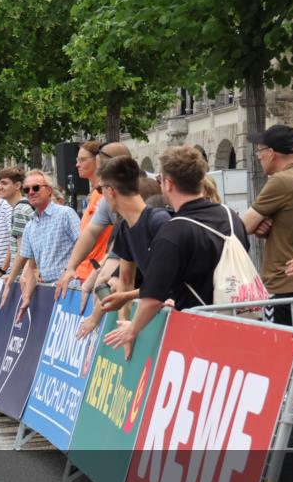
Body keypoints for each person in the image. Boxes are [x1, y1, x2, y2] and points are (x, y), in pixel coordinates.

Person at [105, 145, 250, 358]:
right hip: (242, 324)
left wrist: (131, 329)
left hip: (199, 334)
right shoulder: (230, 215)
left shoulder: (173, 231)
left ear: (167, 184)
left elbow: (154, 297)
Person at [78, 156, 173, 335]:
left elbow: (164, 284)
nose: (100, 195)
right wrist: (124, 325)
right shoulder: (124, 227)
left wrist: (130, 327)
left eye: (100, 189)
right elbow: (126, 282)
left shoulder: (159, 221)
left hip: (180, 315)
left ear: (110, 191)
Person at [241, 124, 293, 328]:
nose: (258, 157)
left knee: (283, 356)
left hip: (284, 287)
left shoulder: (281, 181)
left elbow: (244, 225)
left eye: (260, 151)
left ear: (271, 154)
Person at [3, 172, 80, 319]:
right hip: (46, 292)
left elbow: (82, 244)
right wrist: (26, 298)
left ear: (49, 190)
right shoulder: (30, 226)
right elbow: (31, 267)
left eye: (36, 188)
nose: (31, 192)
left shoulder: (65, 213)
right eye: (27, 190)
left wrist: (68, 271)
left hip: (70, 289)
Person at [53, 141, 126, 297]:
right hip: (91, 274)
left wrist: (98, 277)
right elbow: (90, 233)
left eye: (82, 160)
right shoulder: (98, 195)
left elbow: (118, 246)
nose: (76, 165)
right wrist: (71, 267)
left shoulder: (109, 196)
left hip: (107, 274)